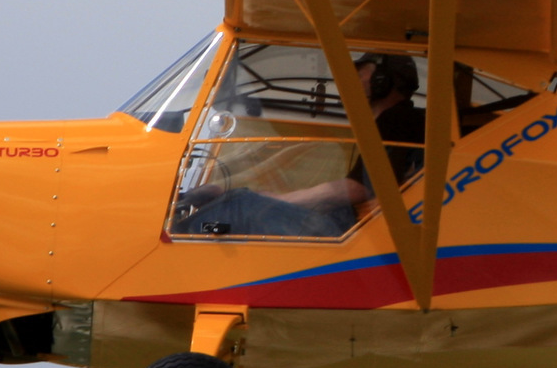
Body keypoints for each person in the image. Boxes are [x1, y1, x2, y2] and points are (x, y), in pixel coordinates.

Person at [177, 53, 424, 238]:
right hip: (357, 228)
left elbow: (358, 189)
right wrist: (232, 193)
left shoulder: (398, 119)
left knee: (239, 208)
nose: (351, 81)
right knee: (239, 199)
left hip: (354, 233)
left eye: (361, 74)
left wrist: (280, 201)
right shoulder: (396, 123)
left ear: (383, 81)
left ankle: (175, 249)